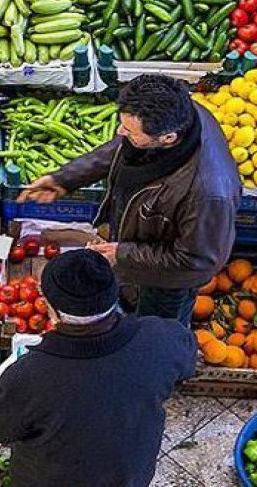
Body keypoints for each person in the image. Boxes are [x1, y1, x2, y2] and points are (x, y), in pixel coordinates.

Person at [17, 74, 241, 323]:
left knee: (156, 329)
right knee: (130, 302)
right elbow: (123, 147)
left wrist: (122, 254)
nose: (119, 131)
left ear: (168, 138)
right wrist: (66, 178)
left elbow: (197, 262)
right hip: (139, 247)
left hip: (167, 281)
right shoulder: (178, 113)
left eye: (130, 130)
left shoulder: (208, 194)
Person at [0, 249, 196, 487]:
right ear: (114, 294)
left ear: (52, 309)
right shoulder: (163, 337)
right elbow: (187, 362)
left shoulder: (30, 376)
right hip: (129, 477)